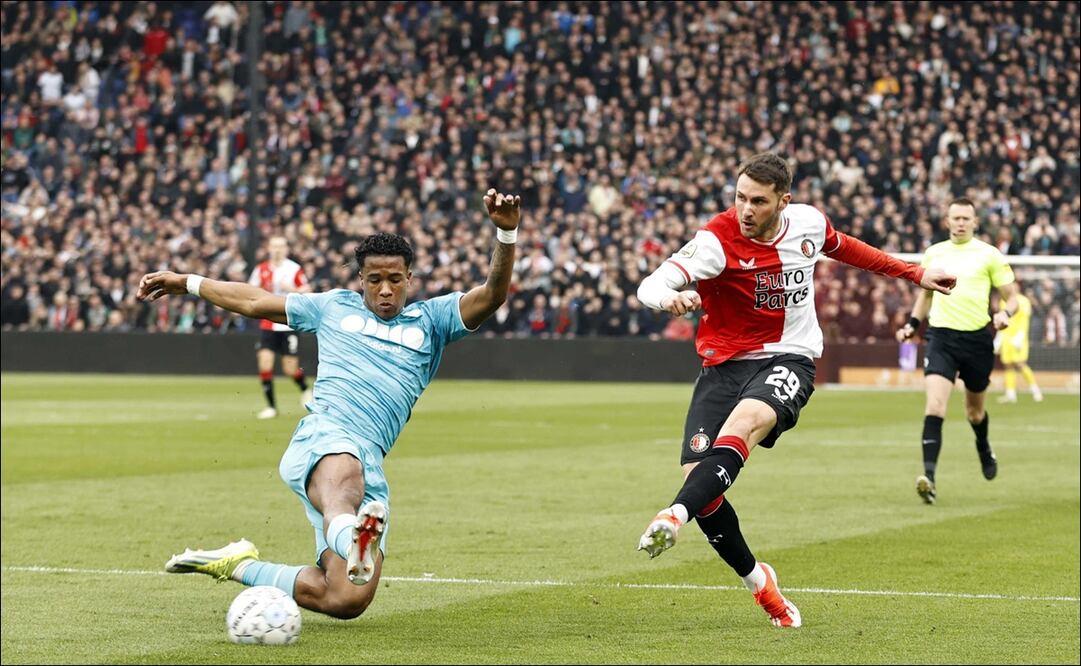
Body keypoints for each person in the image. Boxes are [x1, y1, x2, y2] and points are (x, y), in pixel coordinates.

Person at [137, 189, 521, 620]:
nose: (385, 289)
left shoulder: (432, 321)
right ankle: (353, 537)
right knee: (343, 483)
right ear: (360, 281)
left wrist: (506, 235)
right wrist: (187, 282)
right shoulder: (332, 307)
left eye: (395, 278)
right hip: (326, 438)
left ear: (410, 278)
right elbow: (253, 301)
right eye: (374, 279)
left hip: (370, 460)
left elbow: (492, 296)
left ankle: (238, 563)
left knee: (344, 599)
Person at [634, 152, 956, 628]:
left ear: (783, 201)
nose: (745, 209)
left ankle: (674, 514)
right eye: (740, 197)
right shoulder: (715, 241)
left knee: (742, 428)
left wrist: (913, 272)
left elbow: (849, 248)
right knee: (700, 480)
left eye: (758, 202)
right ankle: (759, 583)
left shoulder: (806, 224)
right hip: (723, 366)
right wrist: (670, 298)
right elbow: (650, 283)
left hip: (789, 357)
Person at [896, 197, 1017, 505]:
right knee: (935, 406)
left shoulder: (989, 255)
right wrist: (912, 324)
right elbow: (925, 297)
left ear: (975, 222)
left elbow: (1012, 297)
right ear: (947, 221)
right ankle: (929, 479)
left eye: (966, 218)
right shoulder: (934, 253)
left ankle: (983, 445)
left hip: (977, 340)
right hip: (940, 338)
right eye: (956, 218)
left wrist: (1006, 314)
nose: (961, 223)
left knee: (974, 412)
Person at [248, 235, 313, 420]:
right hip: (267, 323)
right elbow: (250, 290)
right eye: (274, 246)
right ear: (269, 248)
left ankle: (305, 389)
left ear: (286, 249)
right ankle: (271, 407)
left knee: (290, 369)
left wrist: (291, 288)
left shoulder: (293, 269)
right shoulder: (260, 269)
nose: (277, 250)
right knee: (265, 362)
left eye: (281, 246)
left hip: (287, 322)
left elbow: (307, 290)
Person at [995, 282, 1043, 404]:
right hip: (1006, 337)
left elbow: (1025, 319)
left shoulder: (1024, 301)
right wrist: (998, 338)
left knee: (1020, 364)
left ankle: (1035, 390)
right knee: (1008, 365)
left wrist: (1020, 336)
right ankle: (1010, 394)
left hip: (1018, 338)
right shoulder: (1003, 301)